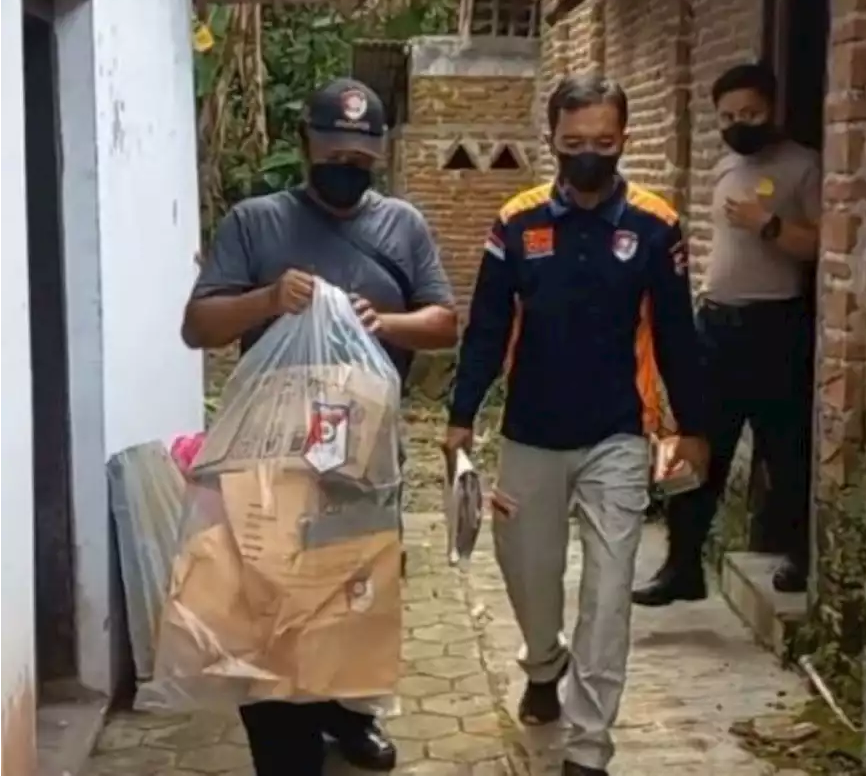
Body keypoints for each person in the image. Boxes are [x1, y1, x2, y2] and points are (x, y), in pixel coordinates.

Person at [181, 77, 458, 775]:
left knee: (351, 593)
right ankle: (285, 751)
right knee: (270, 601)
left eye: (362, 159)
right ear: (305, 142)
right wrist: (270, 299)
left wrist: (383, 322)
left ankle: (346, 714)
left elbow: (444, 320)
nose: (347, 167)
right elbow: (198, 325)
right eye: (334, 151)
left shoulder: (403, 226)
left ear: (381, 154)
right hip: (271, 454)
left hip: (364, 454)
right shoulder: (257, 222)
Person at [442, 74, 708, 776]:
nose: (588, 155)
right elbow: (489, 325)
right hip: (530, 431)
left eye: (603, 143)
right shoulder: (517, 221)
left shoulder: (656, 225)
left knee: (608, 590)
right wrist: (461, 415)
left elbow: (677, 333)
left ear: (623, 141)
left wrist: (694, 426)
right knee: (528, 574)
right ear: (553, 141)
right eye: (573, 143)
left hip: (618, 432)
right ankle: (542, 660)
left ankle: (588, 747)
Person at [633, 62, 820, 606]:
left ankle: (796, 557)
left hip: (776, 327)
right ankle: (681, 566)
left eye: (752, 114)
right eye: (730, 116)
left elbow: (821, 243)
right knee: (692, 446)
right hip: (715, 324)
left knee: (785, 452)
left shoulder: (803, 167)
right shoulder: (723, 166)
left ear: (773, 110)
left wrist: (769, 222)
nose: (741, 124)